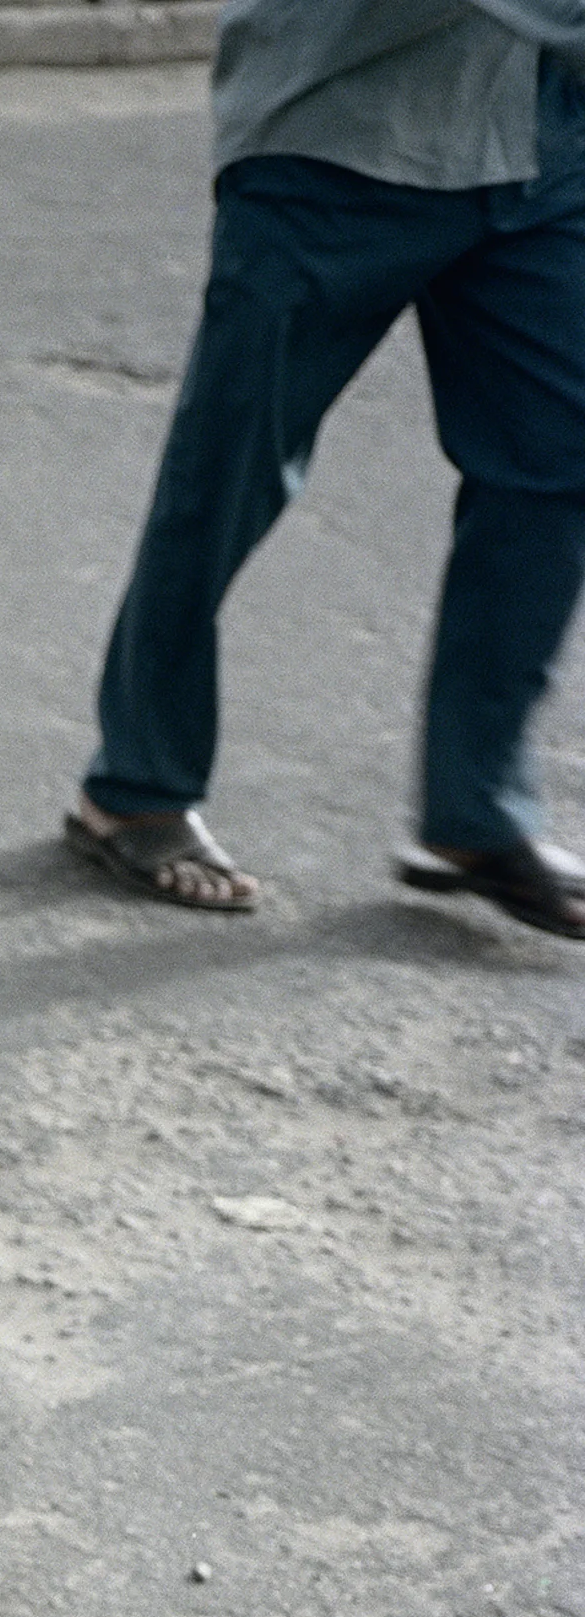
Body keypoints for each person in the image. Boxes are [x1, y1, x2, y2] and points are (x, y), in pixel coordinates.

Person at [66, 0, 585, 934]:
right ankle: (136, 787)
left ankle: (474, 817)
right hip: (338, 140)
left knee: (558, 467)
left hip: (542, 142)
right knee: (230, 474)